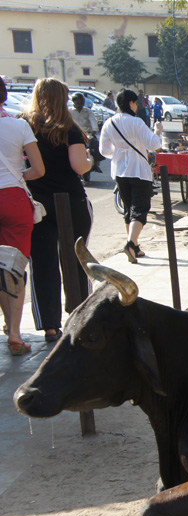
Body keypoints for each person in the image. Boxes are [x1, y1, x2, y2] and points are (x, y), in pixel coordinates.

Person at [24, 78, 95, 343]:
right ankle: (80, 316)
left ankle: (50, 325)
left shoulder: (25, 125)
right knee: (76, 259)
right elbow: (79, 166)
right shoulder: (69, 129)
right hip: (71, 201)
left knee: (42, 263)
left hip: (37, 203)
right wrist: (89, 160)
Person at [0, 79, 45, 356]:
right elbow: (38, 170)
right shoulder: (18, 126)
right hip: (14, 199)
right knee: (12, 267)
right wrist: (18, 176)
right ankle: (14, 332)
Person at [99, 88, 163, 263]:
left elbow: (104, 150)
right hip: (139, 171)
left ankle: (134, 246)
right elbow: (153, 144)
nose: (137, 106)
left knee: (128, 209)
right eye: (136, 102)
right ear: (131, 103)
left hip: (119, 171)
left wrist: (119, 153)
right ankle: (130, 244)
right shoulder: (136, 123)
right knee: (140, 209)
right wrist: (158, 131)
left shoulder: (109, 123)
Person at [70, 92, 101, 180]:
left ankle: (95, 164)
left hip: (87, 134)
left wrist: (94, 130)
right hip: (73, 134)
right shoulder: (69, 112)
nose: (78, 102)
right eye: (76, 100)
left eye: (80, 100)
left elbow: (93, 121)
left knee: (95, 144)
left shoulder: (88, 111)